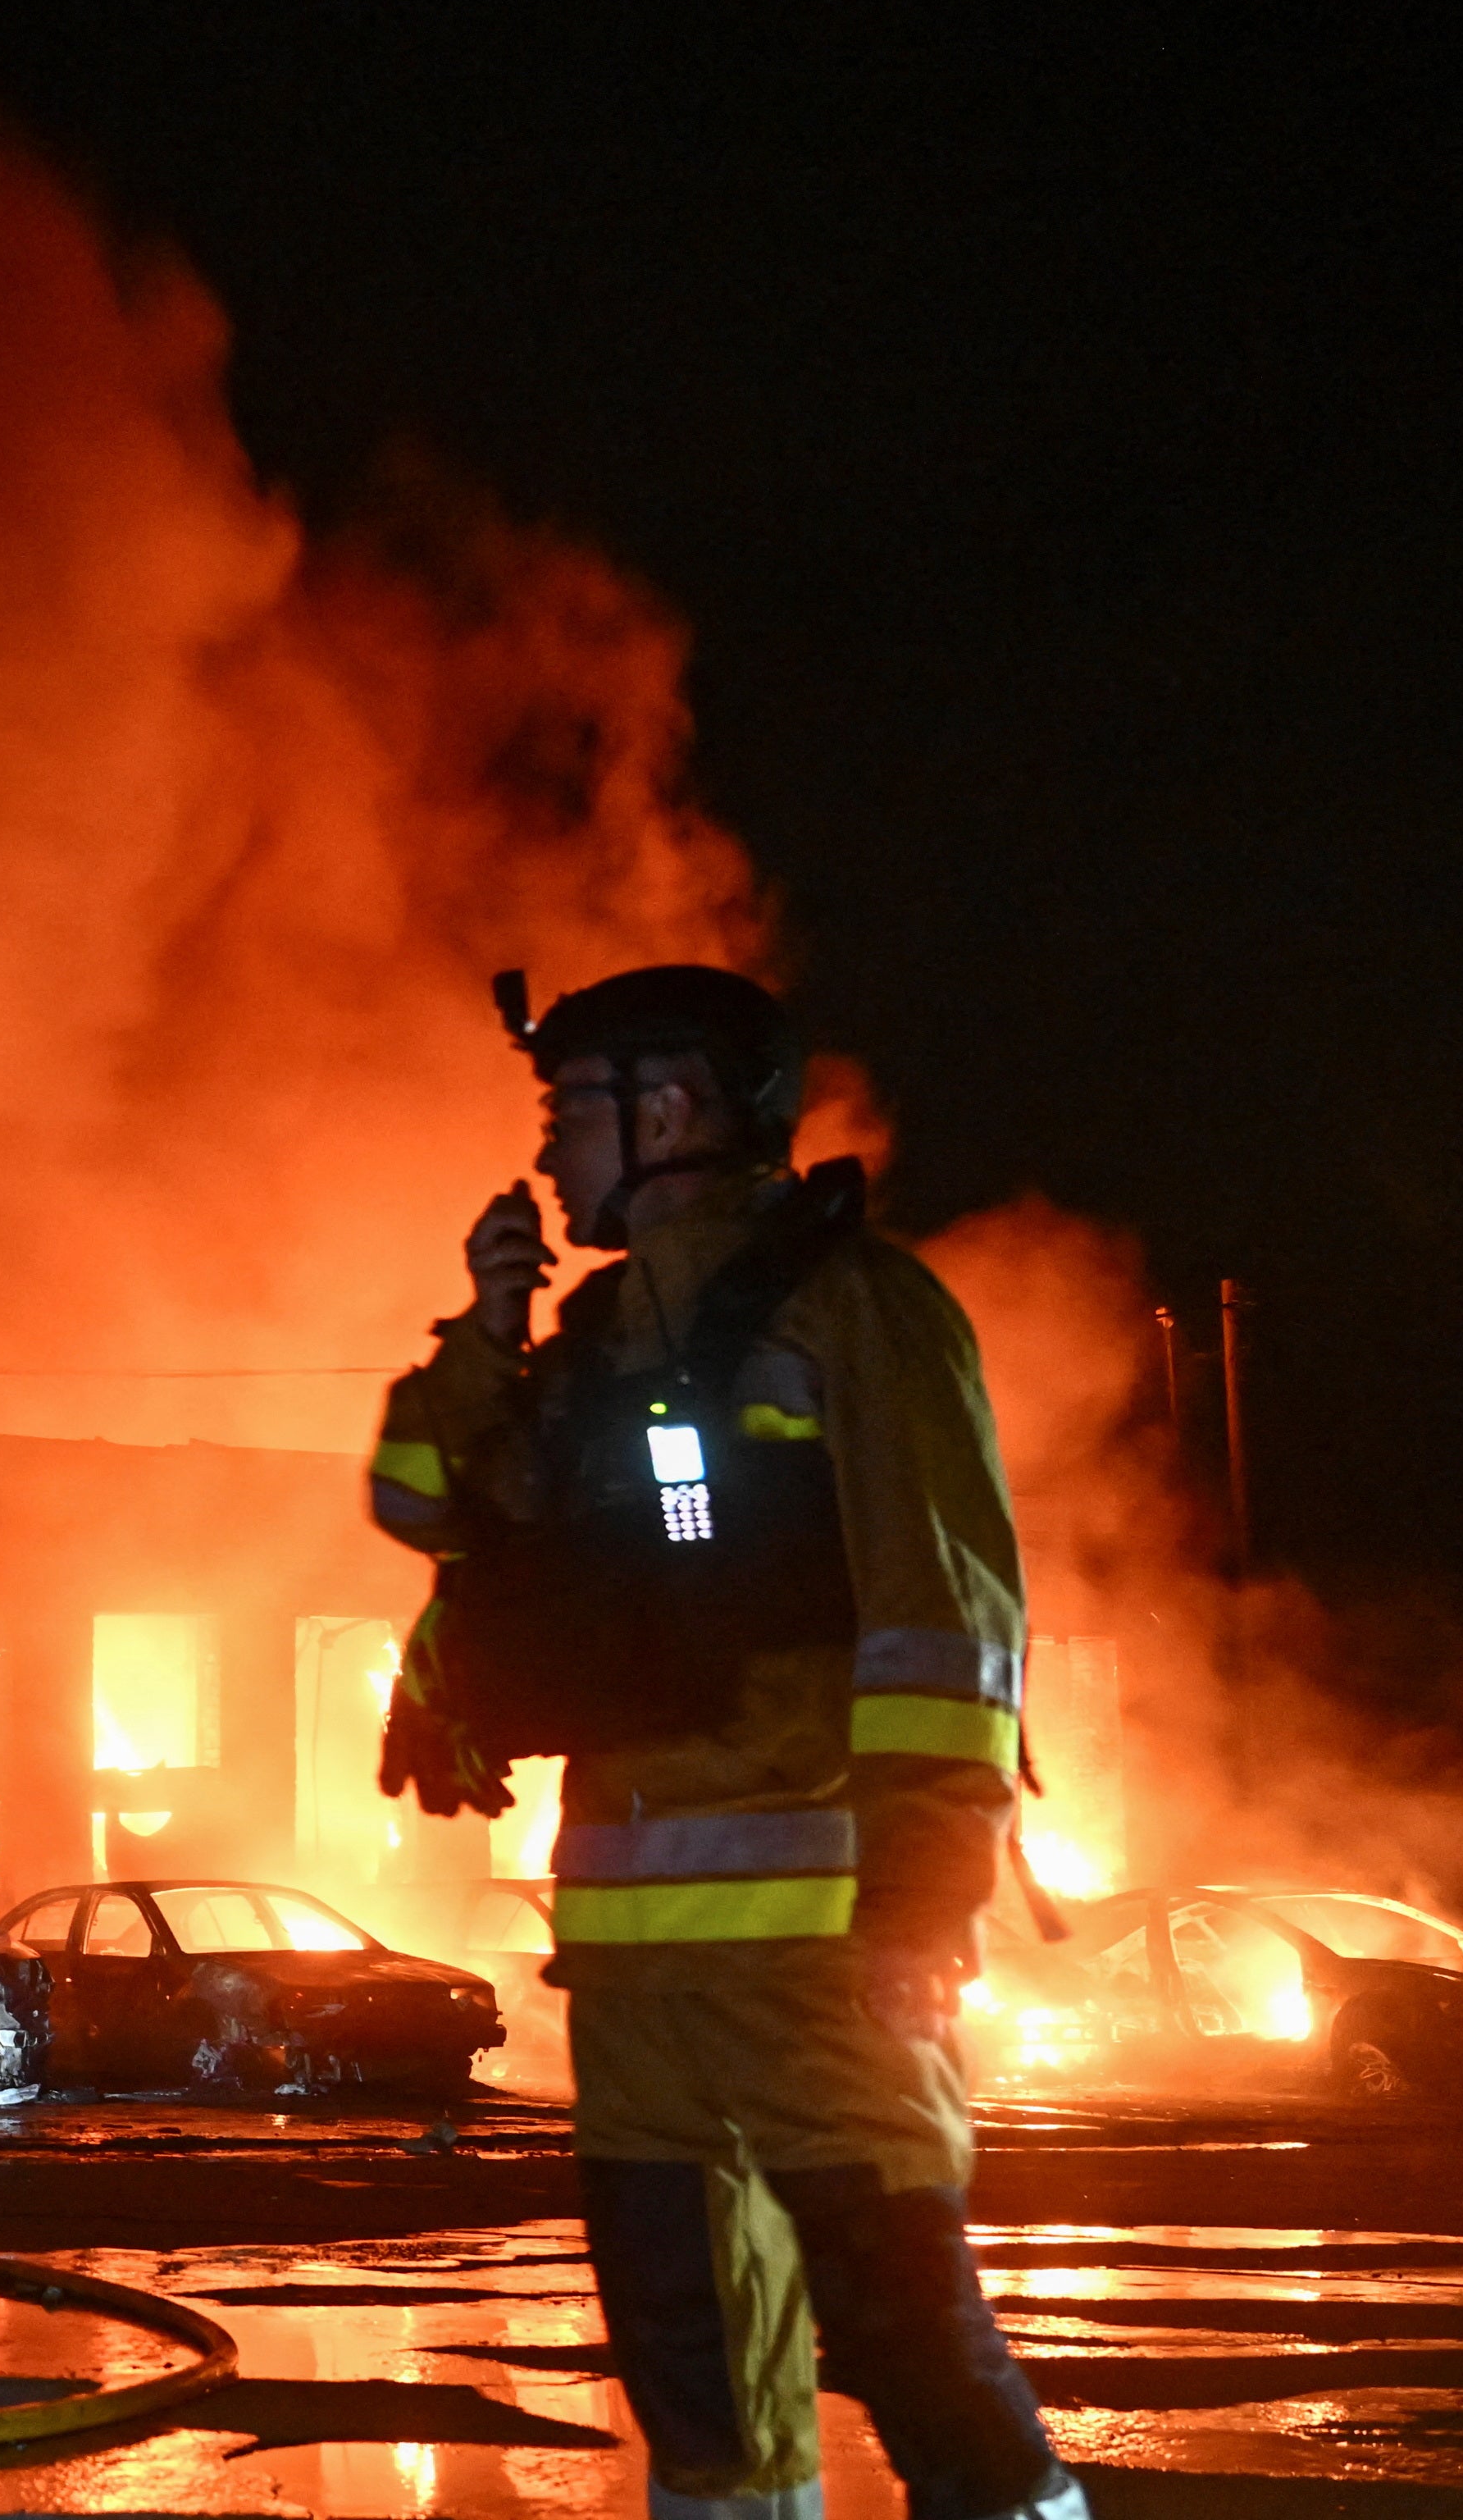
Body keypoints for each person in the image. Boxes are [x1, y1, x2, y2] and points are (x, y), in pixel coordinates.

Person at [371, 965, 1085, 2520]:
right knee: (694, 2385)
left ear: (674, 1105)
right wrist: (483, 1337)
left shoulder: (859, 1313)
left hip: (823, 1960)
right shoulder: (587, 1341)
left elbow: (943, 1614)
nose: (553, 1160)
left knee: (908, 2344)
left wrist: (920, 1893)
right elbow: (427, 1502)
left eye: (571, 1114)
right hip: (633, 1990)